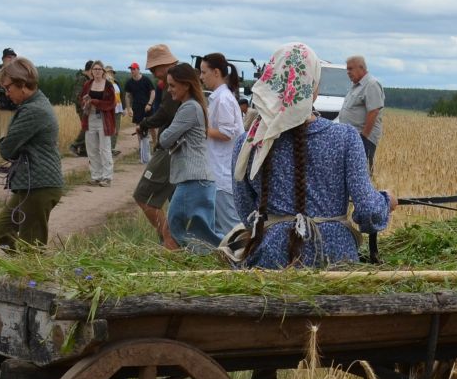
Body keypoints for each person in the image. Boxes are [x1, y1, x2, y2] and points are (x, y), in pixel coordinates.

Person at [234, 42, 395, 268]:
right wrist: (386, 202)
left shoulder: (248, 142)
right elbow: (368, 210)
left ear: (270, 83)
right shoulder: (346, 137)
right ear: (313, 87)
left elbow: (246, 211)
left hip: (271, 259)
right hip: (336, 258)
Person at [0, 56, 64, 249]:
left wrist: (3, 141)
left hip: (40, 185)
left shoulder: (33, 110)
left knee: (31, 248)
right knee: (0, 231)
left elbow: (6, 149)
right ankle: (24, 273)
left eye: (8, 88)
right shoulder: (34, 104)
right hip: (31, 183)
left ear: (22, 84)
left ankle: (31, 277)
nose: (6, 93)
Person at [158, 63, 220, 251]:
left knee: (175, 231)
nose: (169, 90)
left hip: (193, 179)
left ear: (186, 85)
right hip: (200, 180)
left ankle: (236, 250)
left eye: (172, 85)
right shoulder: (195, 106)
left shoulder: (189, 108)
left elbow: (165, 139)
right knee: (200, 234)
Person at [132, 44, 181, 247]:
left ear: (164, 64)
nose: (153, 73)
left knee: (144, 196)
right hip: (175, 149)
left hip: (169, 150)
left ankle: (167, 241)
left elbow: (165, 113)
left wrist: (144, 123)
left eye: (154, 69)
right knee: (174, 202)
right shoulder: (179, 80)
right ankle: (176, 242)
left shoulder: (175, 82)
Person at [199, 53, 243, 238]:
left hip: (223, 174)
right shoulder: (221, 97)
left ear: (216, 72)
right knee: (221, 227)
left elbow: (227, 133)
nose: (201, 77)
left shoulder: (223, 99)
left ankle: (241, 262)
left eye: (204, 72)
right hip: (219, 171)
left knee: (231, 229)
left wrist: (201, 130)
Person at [337, 54, 386, 167]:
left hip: (363, 138)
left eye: (350, 69)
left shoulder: (371, 85)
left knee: (363, 170)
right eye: (347, 69)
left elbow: (373, 112)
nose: (348, 72)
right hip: (353, 137)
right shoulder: (356, 86)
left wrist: (363, 137)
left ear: (361, 68)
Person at [78, 59, 119, 186]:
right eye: (94, 69)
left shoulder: (108, 85)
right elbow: (81, 99)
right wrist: (85, 102)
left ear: (103, 71)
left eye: (99, 69)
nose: (96, 71)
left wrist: (95, 102)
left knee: (105, 149)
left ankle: (107, 177)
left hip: (104, 119)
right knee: (92, 149)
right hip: (90, 118)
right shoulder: (87, 85)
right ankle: (96, 176)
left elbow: (112, 103)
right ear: (91, 71)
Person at [122, 61, 158, 164]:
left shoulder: (146, 80)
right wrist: (128, 109)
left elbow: (153, 92)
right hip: (137, 107)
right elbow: (127, 95)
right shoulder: (129, 82)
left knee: (151, 127)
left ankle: (155, 145)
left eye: (134, 69)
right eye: (131, 69)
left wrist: (150, 104)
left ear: (138, 69)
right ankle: (141, 148)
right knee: (139, 128)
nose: (132, 71)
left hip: (147, 106)